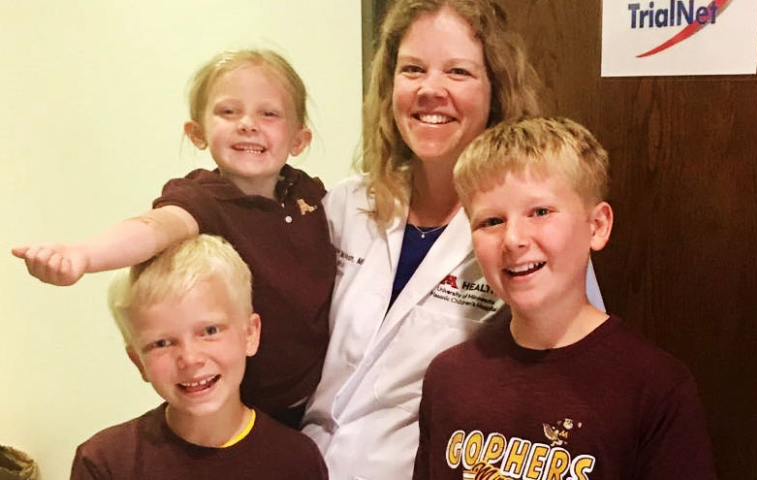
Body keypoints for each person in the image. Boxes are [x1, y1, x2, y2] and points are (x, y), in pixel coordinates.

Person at [301, 1, 603, 478]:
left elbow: (576, 381)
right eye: (413, 70)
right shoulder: (345, 206)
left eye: (458, 72)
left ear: (496, 93)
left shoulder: (527, 235)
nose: (430, 90)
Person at [12, 49, 336, 428]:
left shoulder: (309, 195)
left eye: (269, 113)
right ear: (196, 133)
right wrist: (84, 255)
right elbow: (154, 228)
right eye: (228, 112)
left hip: (321, 402)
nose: (248, 124)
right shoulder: (205, 198)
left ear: (299, 139)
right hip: (238, 412)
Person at [412, 117, 717, 479]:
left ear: (597, 225)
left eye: (540, 212)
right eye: (491, 221)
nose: (513, 239)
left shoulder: (655, 390)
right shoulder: (448, 378)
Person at [70, 234, 328, 480]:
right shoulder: (105, 463)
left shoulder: (296, 459)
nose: (190, 359)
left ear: (250, 334)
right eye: (162, 343)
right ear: (139, 362)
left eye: (209, 331)